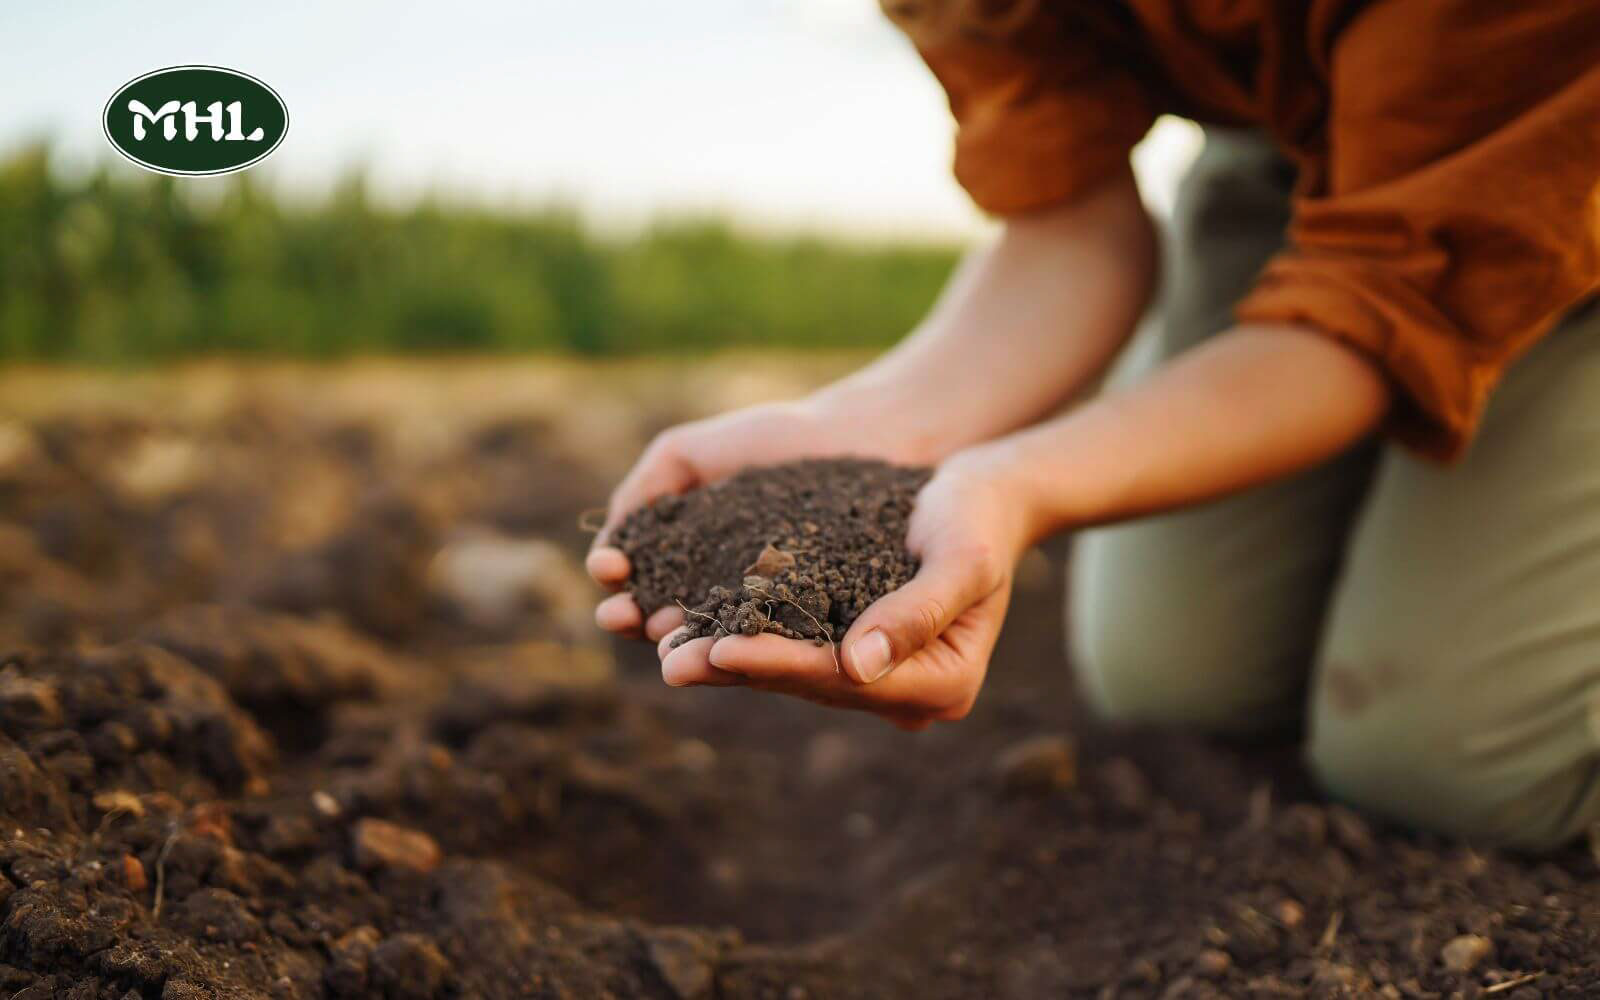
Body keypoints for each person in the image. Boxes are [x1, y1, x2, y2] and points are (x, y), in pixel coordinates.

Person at [587, 1, 1600, 850]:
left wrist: (1021, 483)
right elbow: (1069, 225)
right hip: (1300, 150)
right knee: (1176, 677)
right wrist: (870, 427)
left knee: (1446, 762)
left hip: (1559, 145)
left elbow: (1376, 309)